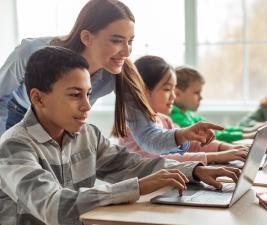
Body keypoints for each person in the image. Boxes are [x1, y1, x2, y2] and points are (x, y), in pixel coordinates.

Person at [0, 46, 240, 225]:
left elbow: (132, 165)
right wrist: (138, 187)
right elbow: (55, 207)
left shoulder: (87, 134)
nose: (87, 106)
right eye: (75, 95)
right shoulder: (13, 147)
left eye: (88, 94)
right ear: (38, 98)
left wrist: (194, 170)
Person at [0, 0, 221, 155]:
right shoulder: (31, 51)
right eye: (116, 40)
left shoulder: (119, 72)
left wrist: (183, 134)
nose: (126, 52)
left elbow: (146, 136)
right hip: (16, 117)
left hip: (62, 126)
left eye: (130, 41)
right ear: (86, 37)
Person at [117, 55, 248, 165]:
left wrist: (226, 148)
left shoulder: (164, 120)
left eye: (174, 90)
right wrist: (216, 156)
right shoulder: (133, 129)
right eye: (167, 89)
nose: (174, 96)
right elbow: (160, 161)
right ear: (142, 90)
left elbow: (191, 144)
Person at [170, 66, 258, 143]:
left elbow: (217, 129)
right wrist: (247, 135)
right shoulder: (174, 117)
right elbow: (212, 136)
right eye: (197, 93)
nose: (201, 98)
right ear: (177, 94)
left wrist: (246, 130)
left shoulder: (189, 114)